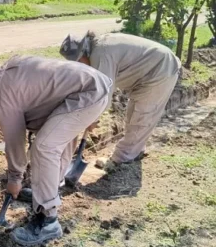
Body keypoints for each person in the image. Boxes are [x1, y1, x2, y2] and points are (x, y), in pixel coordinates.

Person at [0, 56, 111, 246]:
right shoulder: (5, 75)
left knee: (44, 147)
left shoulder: (0, 91)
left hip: (87, 92)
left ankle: (48, 222)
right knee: (53, 141)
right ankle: (46, 194)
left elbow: (15, 138)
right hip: (91, 87)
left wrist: (15, 178)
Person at [60, 31, 181, 165]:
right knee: (132, 115)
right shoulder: (98, 48)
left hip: (160, 70)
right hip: (147, 73)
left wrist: (91, 119)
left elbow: (103, 96)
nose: (80, 66)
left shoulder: (100, 55)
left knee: (142, 117)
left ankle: (121, 160)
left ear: (83, 52)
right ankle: (136, 150)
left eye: (79, 61)